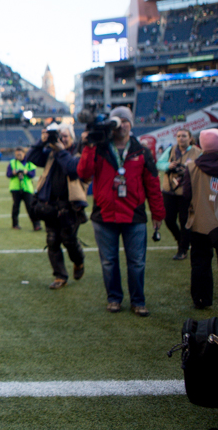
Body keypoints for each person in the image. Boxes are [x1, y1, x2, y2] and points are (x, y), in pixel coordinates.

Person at [77, 106, 165, 317]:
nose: (122, 125)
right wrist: (89, 145)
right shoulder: (99, 148)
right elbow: (83, 173)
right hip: (104, 215)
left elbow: (153, 184)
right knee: (109, 262)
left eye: (126, 121)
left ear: (131, 124)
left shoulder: (141, 151)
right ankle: (114, 298)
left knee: (136, 262)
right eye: (118, 121)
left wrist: (158, 214)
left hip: (134, 215)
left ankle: (138, 300)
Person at [26, 124, 87, 289]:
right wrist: (42, 141)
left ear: (72, 138)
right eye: (60, 136)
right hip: (50, 204)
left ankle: (78, 261)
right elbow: (30, 157)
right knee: (52, 241)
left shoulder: (77, 153)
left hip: (70, 205)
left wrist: (60, 150)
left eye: (66, 136)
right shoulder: (51, 154)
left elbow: (72, 169)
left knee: (69, 240)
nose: (63, 139)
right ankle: (60, 276)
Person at [180, 128, 218, 310]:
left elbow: (186, 195)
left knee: (200, 263)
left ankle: (202, 299)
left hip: (201, 223)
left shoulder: (192, 167)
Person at [157, 129, 201, 260]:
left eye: (183, 136)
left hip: (186, 192)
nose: (180, 138)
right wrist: (168, 166)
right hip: (169, 191)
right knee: (169, 219)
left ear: (190, 138)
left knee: (184, 221)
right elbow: (159, 163)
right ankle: (180, 239)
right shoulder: (171, 150)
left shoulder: (197, 152)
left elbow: (201, 168)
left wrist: (188, 169)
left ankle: (182, 249)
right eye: (178, 136)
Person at [6, 146, 41, 231]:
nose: (18, 156)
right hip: (16, 188)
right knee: (16, 207)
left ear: (24, 154)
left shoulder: (29, 163)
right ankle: (15, 224)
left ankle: (36, 225)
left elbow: (32, 174)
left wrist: (26, 172)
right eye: (17, 154)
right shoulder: (12, 163)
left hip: (27, 188)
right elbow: (8, 174)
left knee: (30, 207)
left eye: (20, 154)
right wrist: (14, 173)